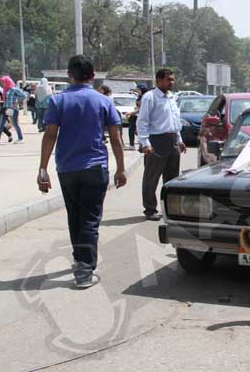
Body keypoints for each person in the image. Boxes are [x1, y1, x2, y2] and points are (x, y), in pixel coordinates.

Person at [37, 55, 126, 289]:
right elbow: (116, 138)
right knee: (90, 219)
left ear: (69, 75)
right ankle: (85, 270)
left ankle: (80, 260)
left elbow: (50, 135)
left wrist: (42, 168)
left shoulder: (58, 101)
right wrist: (121, 168)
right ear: (93, 75)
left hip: (67, 168)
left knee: (75, 216)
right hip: (95, 168)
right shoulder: (103, 101)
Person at [137, 68, 186, 221]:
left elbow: (174, 121)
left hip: (172, 141)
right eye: (168, 79)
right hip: (156, 141)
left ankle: (170, 209)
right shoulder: (150, 97)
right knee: (151, 178)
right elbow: (142, 122)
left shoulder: (172, 97)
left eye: (172, 79)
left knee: (172, 179)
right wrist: (145, 143)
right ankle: (150, 209)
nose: (171, 82)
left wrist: (179, 140)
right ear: (158, 81)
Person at [0, 76, 27, 144]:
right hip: (5, 108)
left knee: (15, 124)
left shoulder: (14, 89)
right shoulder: (5, 89)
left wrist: (17, 102)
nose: (2, 83)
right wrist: (0, 101)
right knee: (0, 124)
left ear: (7, 81)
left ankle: (20, 138)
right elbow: (6, 100)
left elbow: (24, 96)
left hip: (13, 109)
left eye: (3, 82)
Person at [125, 84, 148, 150]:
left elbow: (141, 109)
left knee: (139, 131)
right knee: (132, 130)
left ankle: (142, 145)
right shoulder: (140, 96)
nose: (137, 91)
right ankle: (133, 144)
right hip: (136, 116)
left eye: (138, 89)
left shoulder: (145, 97)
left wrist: (130, 113)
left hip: (141, 116)